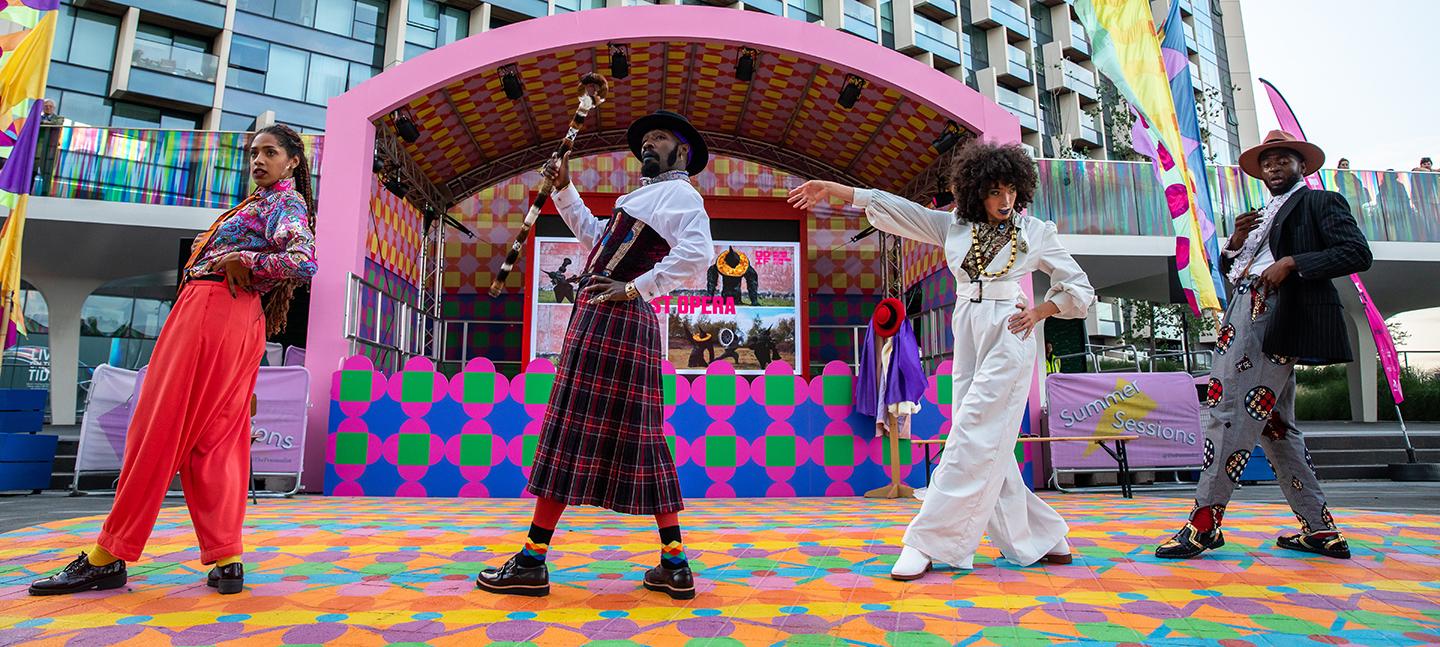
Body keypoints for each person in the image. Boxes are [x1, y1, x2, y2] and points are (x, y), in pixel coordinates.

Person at [29, 125, 318, 596]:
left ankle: (108, 555)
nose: (258, 161)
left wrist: (240, 257)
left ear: (293, 162)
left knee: (159, 426)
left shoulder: (280, 203)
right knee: (217, 437)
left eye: (270, 153)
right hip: (237, 320)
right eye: (253, 153)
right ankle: (228, 558)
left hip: (210, 310)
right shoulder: (269, 203)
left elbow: (303, 260)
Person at [788, 140, 1095, 580]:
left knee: (972, 430)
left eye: (1011, 189)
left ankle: (926, 541)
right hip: (967, 326)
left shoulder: (1036, 232)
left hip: (1012, 328)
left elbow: (1080, 288)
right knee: (986, 440)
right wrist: (834, 189)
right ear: (974, 191)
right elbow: (894, 208)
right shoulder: (953, 227)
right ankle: (1045, 537)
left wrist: (1042, 310)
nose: (1004, 200)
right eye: (994, 190)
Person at [475, 110, 713, 600]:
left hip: (614, 321)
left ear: (682, 151)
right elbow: (594, 239)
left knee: (569, 431)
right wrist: (564, 188)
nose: (649, 144)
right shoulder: (644, 197)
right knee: (641, 439)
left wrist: (637, 289)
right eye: (645, 139)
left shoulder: (682, 195)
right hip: (608, 320)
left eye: (660, 138)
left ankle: (532, 561)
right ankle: (674, 565)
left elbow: (699, 253)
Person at [1155, 130, 1371, 560]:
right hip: (1245, 307)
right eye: (1267, 162)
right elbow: (1236, 267)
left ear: (1303, 167)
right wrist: (1235, 243)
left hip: (1271, 312)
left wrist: (1293, 263)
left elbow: (1356, 252)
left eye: (1283, 160)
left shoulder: (1319, 201)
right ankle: (1320, 529)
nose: (1273, 166)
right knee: (1275, 427)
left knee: (1227, 411)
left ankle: (1204, 524)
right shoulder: (1259, 215)